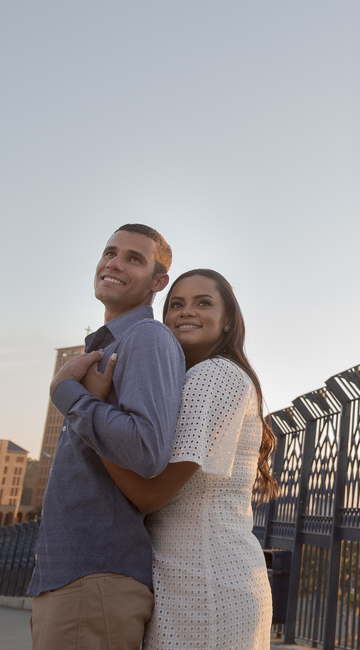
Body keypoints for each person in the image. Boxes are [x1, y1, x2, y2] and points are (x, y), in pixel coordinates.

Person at [78, 269, 278, 650]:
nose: (187, 312)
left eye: (203, 303)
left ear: (228, 321)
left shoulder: (213, 375)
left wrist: (88, 411)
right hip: (201, 579)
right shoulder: (198, 379)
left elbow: (150, 496)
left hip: (205, 586)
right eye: (176, 304)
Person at [28, 224, 187, 650]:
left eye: (133, 258)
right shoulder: (106, 345)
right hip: (74, 577)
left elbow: (146, 449)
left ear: (158, 282)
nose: (113, 263)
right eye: (109, 252)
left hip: (94, 578)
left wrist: (71, 398)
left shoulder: (146, 337)